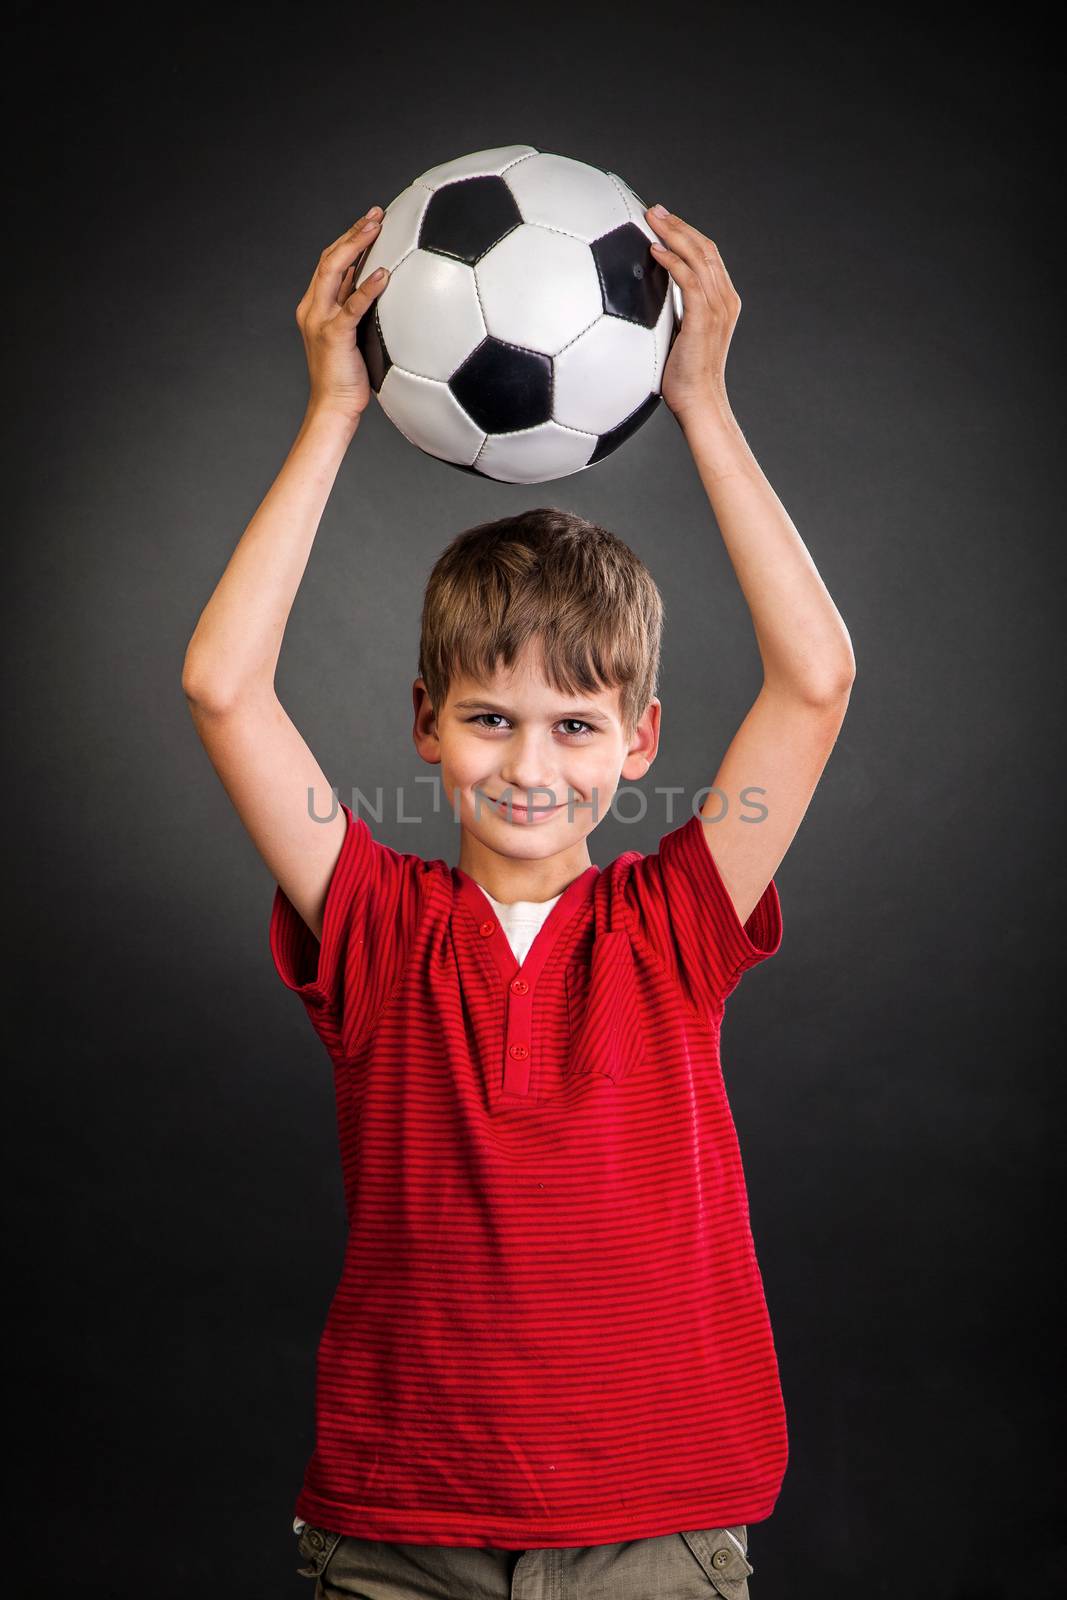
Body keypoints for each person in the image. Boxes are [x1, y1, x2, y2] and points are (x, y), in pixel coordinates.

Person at [182, 199, 855, 1599]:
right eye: (490, 720)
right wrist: (332, 414)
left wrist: (704, 405)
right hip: (401, 1523)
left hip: (656, 1521)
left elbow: (817, 679)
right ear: (426, 724)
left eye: (574, 726)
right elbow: (221, 687)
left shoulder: (673, 926)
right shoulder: (378, 925)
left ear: (642, 743)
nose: (530, 763)